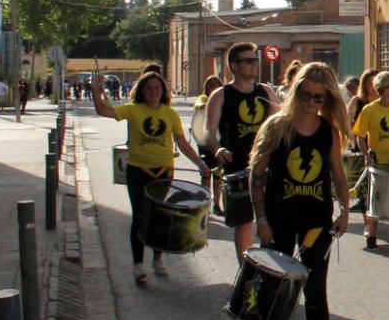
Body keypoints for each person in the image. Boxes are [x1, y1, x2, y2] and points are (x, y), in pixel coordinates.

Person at [248, 62, 350, 320]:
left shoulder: (328, 131)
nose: (311, 102)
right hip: (278, 220)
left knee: (315, 291)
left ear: (328, 99)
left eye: (319, 98)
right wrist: (261, 220)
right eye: (306, 95)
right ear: (296, 93)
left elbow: (337, 172)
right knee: (276, 291)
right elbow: (257, 174)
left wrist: (346, 210)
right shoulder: (277, 126)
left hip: (316, 223)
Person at [91, 71, 210, 283]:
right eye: (149, 88)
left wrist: (200, 163)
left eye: (157, 88)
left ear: (163, 91)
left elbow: (182, 143)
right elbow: (102, 110)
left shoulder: (170, 114)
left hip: (164, 172)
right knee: (139, 216)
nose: (153, 92)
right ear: (142, 91)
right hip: (139, 171)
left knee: (160, 216)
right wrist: (95, 90)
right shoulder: (133, 110)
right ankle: (138, 264)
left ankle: (157, 259)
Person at [205, 42, 278, 263]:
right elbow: (208, 131)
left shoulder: (266, 91)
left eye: (255, 60)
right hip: (237, 166)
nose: (254, 65)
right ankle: (246, 272)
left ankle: (272, 270)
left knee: (272, 220)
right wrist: (218, 149)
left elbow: (280, 123)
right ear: (234, 66)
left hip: (268, 165)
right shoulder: (221, 95)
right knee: (244, 222)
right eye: (249, 61)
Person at [352, 71, 389, 249]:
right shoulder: (369, 110)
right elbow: (359, 136)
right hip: (377, 162)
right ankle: (372, 234)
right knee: (375, 198)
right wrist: (366, 155)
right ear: (385, 89)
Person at [194, 75, 225, 215]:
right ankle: (204, 204)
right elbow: (198, 106)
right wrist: (212, 105)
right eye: (211, 85)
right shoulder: (203, 98)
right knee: (206, 173)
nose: (214, 88)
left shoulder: (224, 99)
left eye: (216, 85)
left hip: (219, 142)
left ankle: (217, 205)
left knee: (218, 176)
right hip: (205, 142)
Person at [346, 68, 379, 142]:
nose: (373, 86)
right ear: (364, 85)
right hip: (361, 142)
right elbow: (347, 121)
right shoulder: (356, 101)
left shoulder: (386, 102)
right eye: (370, 83)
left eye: (376, 83)